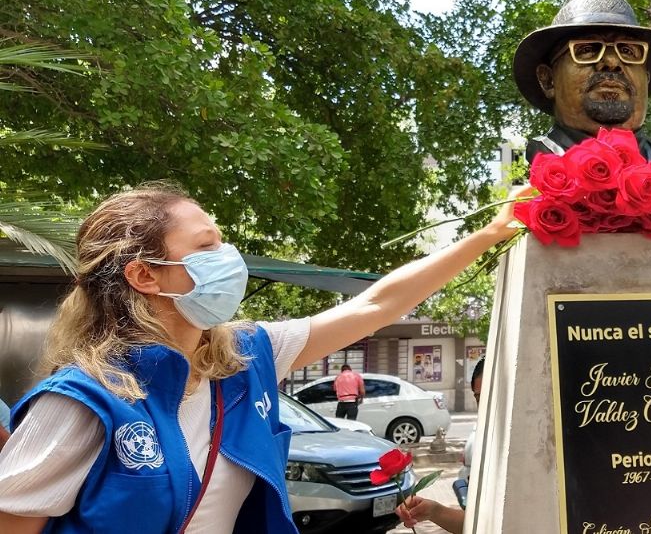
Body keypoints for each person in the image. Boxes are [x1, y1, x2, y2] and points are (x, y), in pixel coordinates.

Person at [0, 182, 525, 534]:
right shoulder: (83, 400)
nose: (228, 260)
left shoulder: (248, 355)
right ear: (144, 275)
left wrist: (489, 233)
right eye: (207, 247)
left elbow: (378, 303)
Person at [512, 0, 651, 162]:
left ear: (646, 80)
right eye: (587, 49)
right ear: (548, 80)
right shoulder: (544, 160)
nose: (612, 61)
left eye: (627, 51)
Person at [394, 358, 486, 533]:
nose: (486, 408)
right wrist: (434, 511)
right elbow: (479, 524)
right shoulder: (482, 444)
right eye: (479, 398)